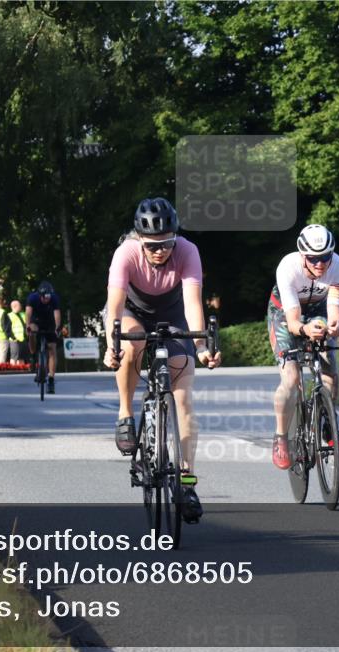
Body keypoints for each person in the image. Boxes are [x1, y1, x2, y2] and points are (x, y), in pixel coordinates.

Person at [103, 197, 221, 523]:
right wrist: (111, 344)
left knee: (183, 401)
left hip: (173, 314)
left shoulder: (187, 251)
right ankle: (126, 413)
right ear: (138, 239)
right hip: (132, 313)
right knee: (133, 345)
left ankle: (186, 482)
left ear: (175, 237)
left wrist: (200, 346)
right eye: (151, 246)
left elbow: (193, 304)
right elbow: (113, 306)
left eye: (166, 244)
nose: (159, 251)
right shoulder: (125, 252)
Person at [266, 224, 339, 470]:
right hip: (284, 313)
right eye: (314, 259)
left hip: (319, 311)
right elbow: (293, 322)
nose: (321, 264)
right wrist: (304, 330)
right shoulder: (288, 267)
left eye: (325, 257)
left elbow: (335, 308)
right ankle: (281, 437)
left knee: (330, 374)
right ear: (303, 255)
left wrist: (336, 324)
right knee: (291, 379)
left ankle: (327, 423)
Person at [26, 280, 62, 392]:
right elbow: (28, 313)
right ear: (40, 295)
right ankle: (33, 356)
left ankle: (51, 378)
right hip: (36, 321)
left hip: (49, 322)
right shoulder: (33, 298)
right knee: (31, 331)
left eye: (49, 297)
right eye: (45, 297)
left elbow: (57, 314)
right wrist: (27, 326)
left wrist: (57, 328)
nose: (47, 299)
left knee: (52, 348)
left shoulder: (54, 298)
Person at [7, 299, 28, 366]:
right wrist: (12, 337)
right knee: (14, 356)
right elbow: (7, 328)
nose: (21, 306)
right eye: (19, 305)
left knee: (22, 356)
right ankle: (12, 370)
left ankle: (22, 370)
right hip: (14, 339)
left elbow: (26, 325)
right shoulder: (9, 316)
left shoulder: (23, 314)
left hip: (23, 338)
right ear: (15, 306)